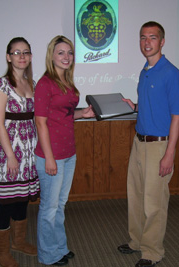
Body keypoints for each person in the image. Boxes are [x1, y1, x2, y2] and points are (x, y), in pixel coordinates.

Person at [118, 21, 179, 267]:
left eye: (152, 38)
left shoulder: (171, 73)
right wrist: (133, 106)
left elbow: (177, 116)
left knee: (154, 202)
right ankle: (136, 242)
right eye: (143, 37)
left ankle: (153, 252)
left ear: (162, 41)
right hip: (139, 142)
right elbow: (151, 106)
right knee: (136, 196)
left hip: (159, 146)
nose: (147, 42)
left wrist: (170, 154)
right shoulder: (145, 70)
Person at [34, 35, 95, 266]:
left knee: (60, 204)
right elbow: (40, 122)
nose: (66, 56)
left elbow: (64, 115)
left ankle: (60, 247)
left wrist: (83, 114)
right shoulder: (45, 83)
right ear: (52, 55)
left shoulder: (67, 82)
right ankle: (48, 255)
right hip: (52, 156)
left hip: (69, 153)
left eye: (69, 52)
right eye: (61, 52)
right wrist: (49, 158)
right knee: (49, 208)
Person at [0, 37, 40, 267]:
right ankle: (2, 251)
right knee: (7, 202)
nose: (21, 56)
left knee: (22, 198)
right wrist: (11, 156)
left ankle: (19, 241)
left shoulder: (31, 83)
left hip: (29, 151)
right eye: (16, 52)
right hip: (10, 151)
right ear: (8, 56)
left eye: (25, 52)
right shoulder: (2, 84)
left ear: (30, 56)